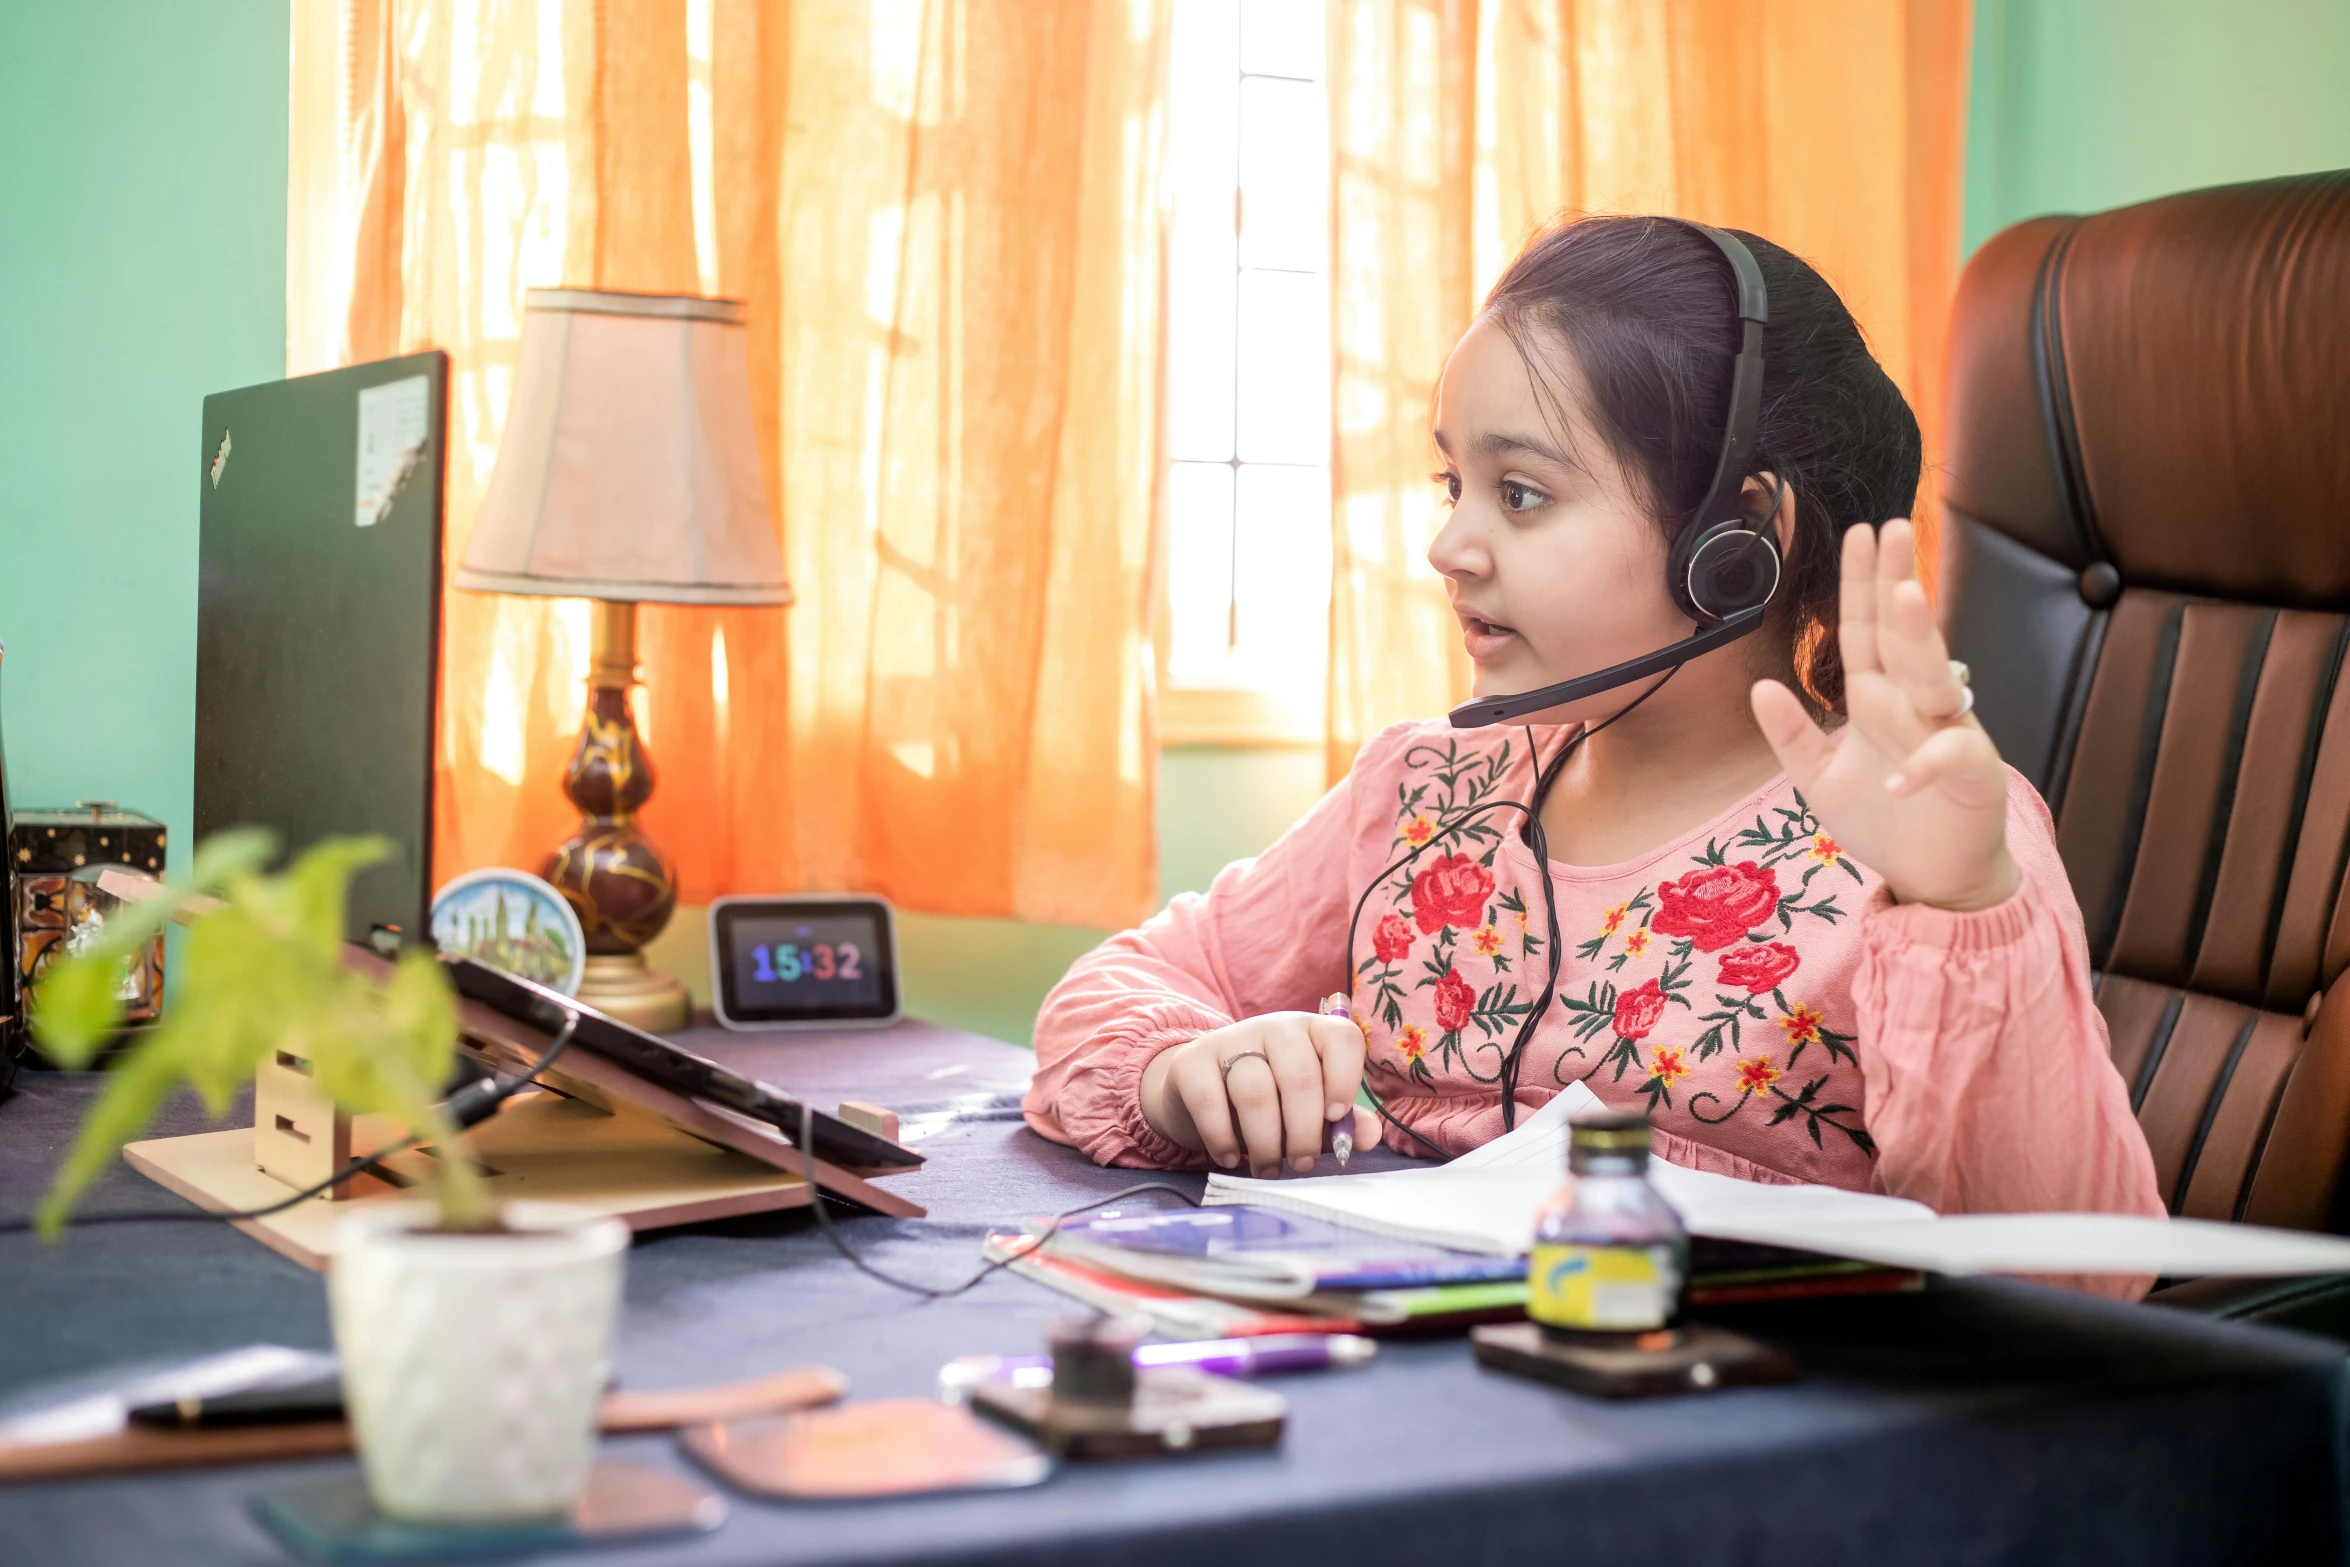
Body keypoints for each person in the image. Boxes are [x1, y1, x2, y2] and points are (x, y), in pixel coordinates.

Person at [1024, 215, 2163, 1286]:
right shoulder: (1425, 788)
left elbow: (2077, 1274)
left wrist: (1962, 904)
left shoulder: (1930, 836)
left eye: (1520, 494)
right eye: (1453, 483)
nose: (1448, 545)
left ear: (1740, 537)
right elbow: (1126, 987)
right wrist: (1185, 1073)